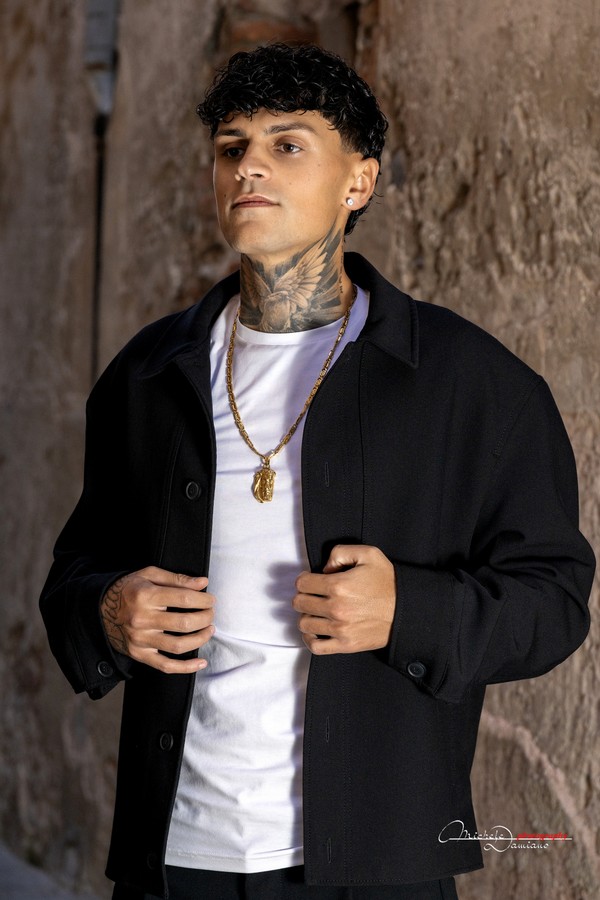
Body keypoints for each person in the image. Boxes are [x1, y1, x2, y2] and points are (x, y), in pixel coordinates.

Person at [40, 42, 595, 900]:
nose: (249, 167)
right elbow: (75, 571)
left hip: (374, 866)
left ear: (358, 182)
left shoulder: (470, 383)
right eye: (231, 147)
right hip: (176, 859)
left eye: (287, 144)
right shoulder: (146, 378)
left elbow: (554, 600)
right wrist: (109, 611)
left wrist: (409, 610)